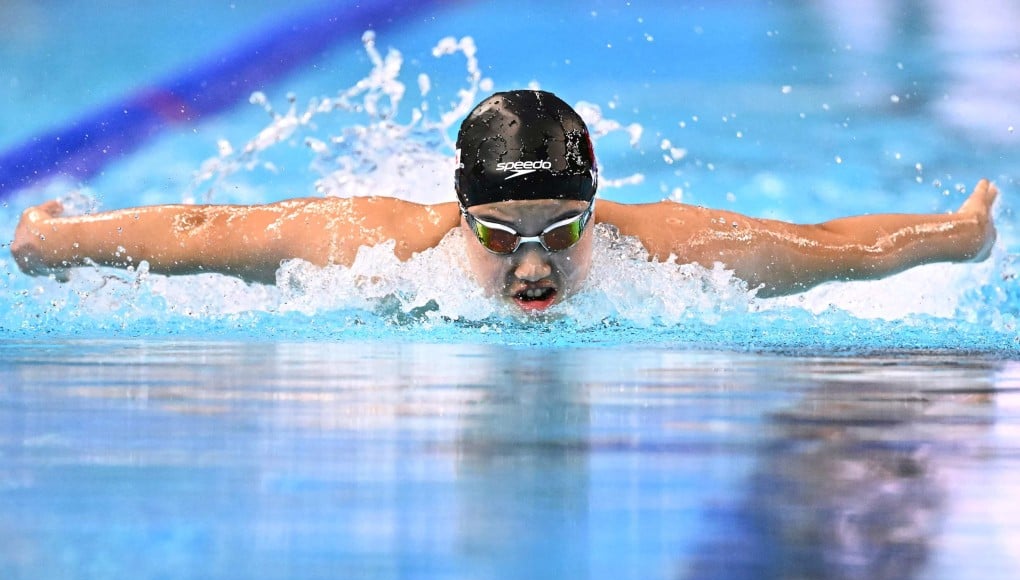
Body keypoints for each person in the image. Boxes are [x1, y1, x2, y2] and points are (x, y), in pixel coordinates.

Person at [11, 90, 998, 313]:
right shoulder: (374, 247)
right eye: (503, 234)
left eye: (562, 230)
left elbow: (838, 247)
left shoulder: (670, 251)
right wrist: (61, 239)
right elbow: (202, 231)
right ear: (459, 214)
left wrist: (953, 235)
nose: (535, 264)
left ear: (594, 212)